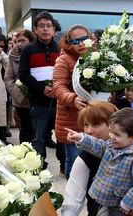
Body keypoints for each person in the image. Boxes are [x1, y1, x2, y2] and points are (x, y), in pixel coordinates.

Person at [18, 11, 60, 169]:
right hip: (38, 101)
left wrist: (57, 89)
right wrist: (42, 88)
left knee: (61, 137)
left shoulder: (61, 48)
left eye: (49, 26)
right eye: (41, 26)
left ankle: (63, 166)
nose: (45, 29)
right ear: (35, 29)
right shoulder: (28, 50)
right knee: (38, 138)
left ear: (54, 30)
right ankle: (39, 168)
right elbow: (23, 75)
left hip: (59, 101)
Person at [53, 24, 91, 178]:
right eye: (76, 41)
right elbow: (58, 86)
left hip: (92, 117)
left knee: (91, 162)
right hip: (71, 118)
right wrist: (73, 99)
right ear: (68, 43)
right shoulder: (64, 60)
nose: (81, 43)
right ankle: (72, 197)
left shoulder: (96, 57)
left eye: (84, 39)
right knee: (75, 162)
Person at [4, 29, 36, 143]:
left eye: (23, 40)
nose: (20, 43)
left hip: (37, 98)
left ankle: (38, 157)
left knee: (37, 130)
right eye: (18, 41)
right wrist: (20, 95)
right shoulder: (13, 55)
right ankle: (25, 155)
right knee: (25, 129)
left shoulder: (37, 53)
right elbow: (8, 78)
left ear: (31, 40)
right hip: (20, 100)